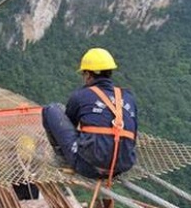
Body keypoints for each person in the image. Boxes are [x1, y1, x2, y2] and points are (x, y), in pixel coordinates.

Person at [42, 48, 137, 180]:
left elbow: (68, 126)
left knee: (51, 109)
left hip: (88, 167)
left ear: (87, 75)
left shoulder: (81, 95)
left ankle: (62, 159)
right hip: (121, 166)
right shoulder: (128, 97)